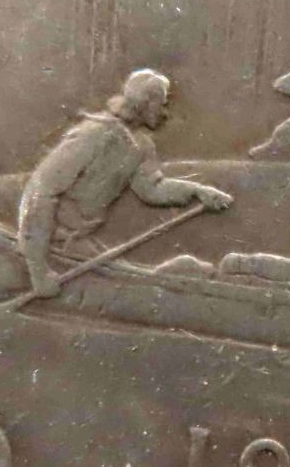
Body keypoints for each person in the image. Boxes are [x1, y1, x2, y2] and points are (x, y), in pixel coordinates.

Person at [17, 69, 231, 299]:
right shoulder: (94, 134)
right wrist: (37, 270)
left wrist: (199, 191)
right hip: (49, 241)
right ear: (146, 102)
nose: (166, 113)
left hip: (78, 241)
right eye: (162, 104)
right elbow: (42, 189)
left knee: (130, 280)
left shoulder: (141, 145)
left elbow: (152, 189)